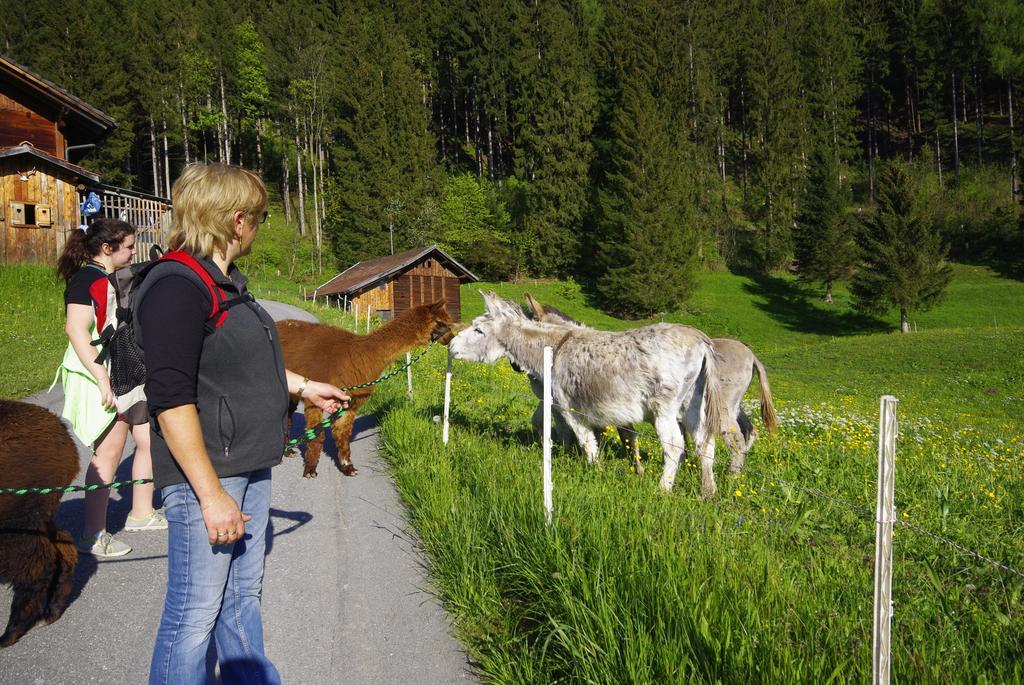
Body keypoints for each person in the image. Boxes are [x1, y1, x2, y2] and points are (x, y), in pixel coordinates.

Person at [136, 163, 348, 685]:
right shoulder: (177, 286)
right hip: (210, 472)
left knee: (239, 599)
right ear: (236, 220)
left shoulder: (225, 282)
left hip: (249, 464)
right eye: (259, 216)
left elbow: (244, 362)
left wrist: (300, 386)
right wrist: (210, 496)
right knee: (195, 614)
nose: (259, 225)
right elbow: (170, 399)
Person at [54, 217, 164, 559]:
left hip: (129, 370)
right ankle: (92, 534)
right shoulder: (86, 279)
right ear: (107, 248)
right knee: (110, 451)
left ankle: (141, 513)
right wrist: (102, 377)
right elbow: (75, 329)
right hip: (104, 374)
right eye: (128, 247)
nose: (133, 252)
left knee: (147, 439)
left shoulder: (110, 278)